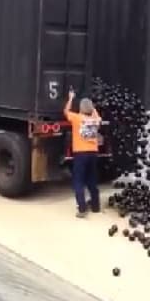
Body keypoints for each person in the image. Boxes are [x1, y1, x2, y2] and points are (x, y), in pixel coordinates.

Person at [64, 89, 102, 218]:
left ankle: (82, 208)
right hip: (93, 153)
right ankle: (96, 206)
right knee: (92, 180)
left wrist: (70, 98)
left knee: (78, 181)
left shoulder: (77, 118)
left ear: (80, 108)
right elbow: (96, 114)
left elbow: (66, 112)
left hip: (80, 154)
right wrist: (92, 106)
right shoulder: (96, 120)